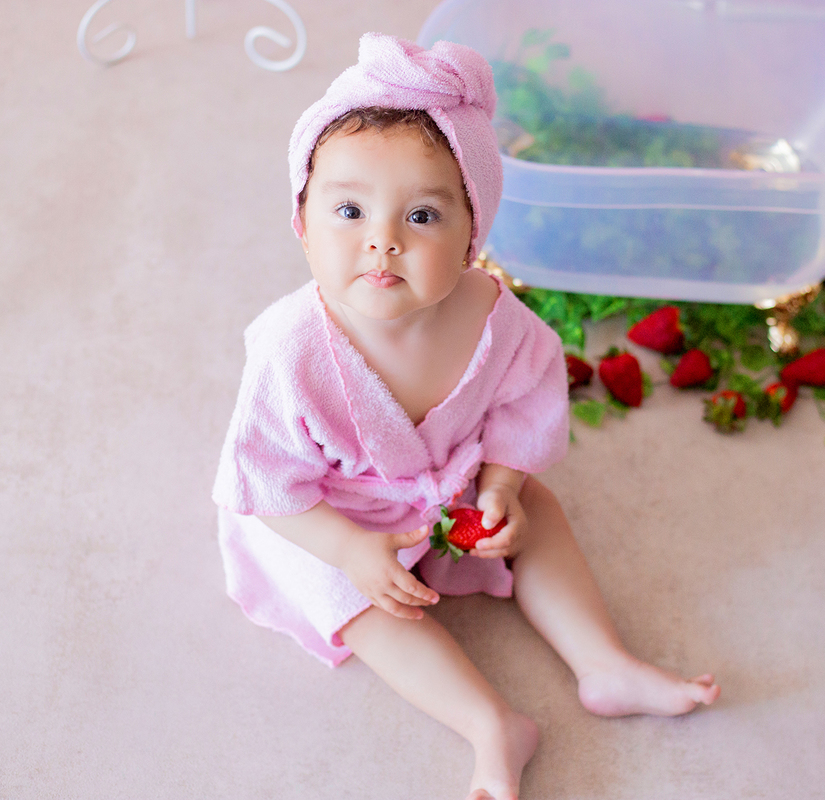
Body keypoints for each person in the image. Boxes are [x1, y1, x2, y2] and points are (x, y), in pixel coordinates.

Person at [212, 33, 719, 800]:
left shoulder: (493, 316)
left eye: (421, 215)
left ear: (473, 237)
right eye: (348, 209)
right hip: (328, 514)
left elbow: (526, 397)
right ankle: (492, 725)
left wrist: (502, 486)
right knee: (358, 608)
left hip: (445, 488)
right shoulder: (290, 353)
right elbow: (265, 482)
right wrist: (351, 550)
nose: (381, 239)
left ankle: (603, 663)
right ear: (302, 222)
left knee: (539, 508)